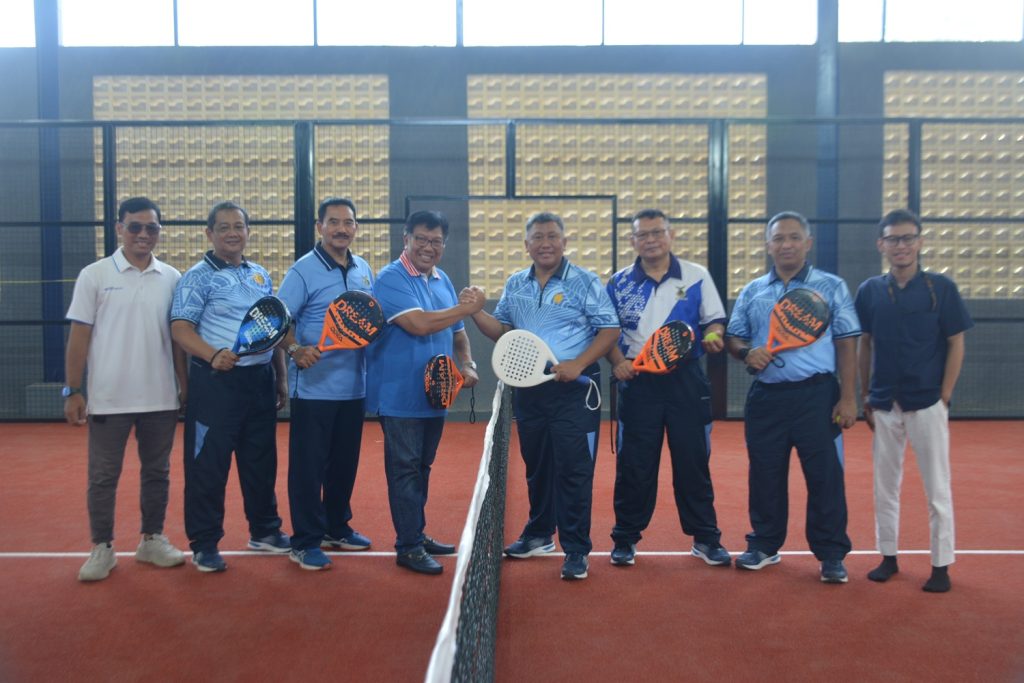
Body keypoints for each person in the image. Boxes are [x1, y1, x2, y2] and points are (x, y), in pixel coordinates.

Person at [469, 211, 619, 581]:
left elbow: (610, 330)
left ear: (564, 242)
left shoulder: (585, 281)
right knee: (538, 467)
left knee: (573, 470)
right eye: (538, 237)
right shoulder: (516, 283)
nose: (545, 243)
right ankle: (539, 534)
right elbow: (504, 330)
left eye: (552, 236)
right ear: (527, 245)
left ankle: (577, 548)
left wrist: (578, 364)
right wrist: (475, 313)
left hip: (575, 391)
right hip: (529, 392)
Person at [725, 211, 859, 584]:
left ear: (808, 243)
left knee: (825, 478)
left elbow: (848, 344)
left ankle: (831, 553)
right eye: (779, 238)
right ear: (768, 245)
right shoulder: (753, 290)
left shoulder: (832, 286)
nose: (786, 244)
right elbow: (734, 337)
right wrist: (746, 351)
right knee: (764, 476)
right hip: (766, 398)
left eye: (794, 238)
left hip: (817, 396)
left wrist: (848, 399)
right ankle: (765, 545)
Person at [65, 197, 188, 581]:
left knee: (157, 472)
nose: (143, 234)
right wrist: (73, 390)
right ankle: (102, 548)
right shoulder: (95, 275)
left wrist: (183, 386)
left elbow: (179, 340)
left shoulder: (173, 277)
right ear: (119, 228)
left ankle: (151, 540)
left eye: (151, 228)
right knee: (103, 477)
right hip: (109, 399)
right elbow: (79, 337)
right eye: (135, 226)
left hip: (161, 398)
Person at [604, 209, 730, 568]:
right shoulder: (618, 282)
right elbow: (605, 332)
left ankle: (706, 537)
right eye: (642, 235)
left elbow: (714, 321)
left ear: (670, 235)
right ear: (632, 241)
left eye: (657, 232)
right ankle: (625, 539)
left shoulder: (696, 276)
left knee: (692, 462)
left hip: (686, 382)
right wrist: (617, 361)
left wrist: (714, 336)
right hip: (638, 384)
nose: (650, 240)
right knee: (635, 466)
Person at [855, 209, 972, 593]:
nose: (901, 246)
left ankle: (941, 565)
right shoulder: (870, 290)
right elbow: (864, 342)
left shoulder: (941, 288)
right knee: (884, 485)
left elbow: (956, 342)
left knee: (937, 487)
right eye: (893, 239)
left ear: (920, 242)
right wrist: (865, 395)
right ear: (881, 245)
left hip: (926, 402)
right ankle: (888, 557)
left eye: (908, 238)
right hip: (885, 402)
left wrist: (945, 395)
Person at [170, 201, 290, 572]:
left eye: (239, 226)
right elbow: (180, 328)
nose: (233, 233)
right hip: (217, 384)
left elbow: (272, 329)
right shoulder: (196, 277)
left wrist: (280, 376)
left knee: (260, 462)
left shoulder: (259, 275)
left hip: (259, 382)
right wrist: (211, 355)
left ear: (248, 232)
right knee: (208, 466)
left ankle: (265, 531)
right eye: (224, 227)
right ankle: (205, 543)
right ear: (210, 234)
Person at [365, 210, 481, 575]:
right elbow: (418, 324)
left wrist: (468, 364)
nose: (428, 247)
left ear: (443, 245)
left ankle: (417, 531)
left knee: (421, 467)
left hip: (437, 394)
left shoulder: (442, 278)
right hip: (399, 397)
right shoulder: (390, 278)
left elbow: (458, 330)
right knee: (404, 469)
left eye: (435, 241)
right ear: (406, 240)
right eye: (421, 239)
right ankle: (409, 545)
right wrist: (464, 307)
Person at [277, 197, 375, 571]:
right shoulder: (302, 271)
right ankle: (304, 541)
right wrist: (295, 349)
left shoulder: (364, 268)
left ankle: (337, 526)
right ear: (320, 227)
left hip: (354, 387)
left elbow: (368, 317)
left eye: (348, 222)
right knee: (308, 467)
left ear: (355, 228)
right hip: (314, 389)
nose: (341, 229)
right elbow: (280, 320)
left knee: (343, 465)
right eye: (333, 222)